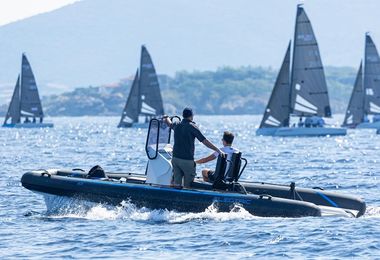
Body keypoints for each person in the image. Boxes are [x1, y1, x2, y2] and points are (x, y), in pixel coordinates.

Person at [164, 107, 224, 188]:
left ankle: (176, 198)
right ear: (191, 116)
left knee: (177, 184)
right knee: (188, 186)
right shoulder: (192, 126)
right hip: (187, 161)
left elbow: (169, 123)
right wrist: (217, 150)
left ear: (183, 115)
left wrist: (166, 117)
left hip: (175, 160)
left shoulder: (177, 124)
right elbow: (204, 141)